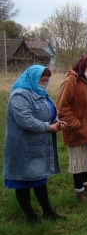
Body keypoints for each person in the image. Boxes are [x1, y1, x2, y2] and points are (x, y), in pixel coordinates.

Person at [2, 65, 66, 225]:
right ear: (32, 78)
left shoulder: (42, 94)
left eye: (46, 80)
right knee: (23, 180)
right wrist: (48, 127)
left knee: (39, 179)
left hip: (38, 145)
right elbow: (26, 120)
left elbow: (50, 112)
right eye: (41, 80)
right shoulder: (20, 95)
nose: (44, 83)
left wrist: (57, 122)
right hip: (22, 146)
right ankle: (30, 216)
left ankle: (48, 211)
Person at [56, 55, 87, 204]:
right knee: (78, 163)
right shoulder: (71, 81)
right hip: (75, 130)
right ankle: (79, 192)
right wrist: (77, 126)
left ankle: (85, 185)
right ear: (83, 67)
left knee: (86, 160)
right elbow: (62, 109)